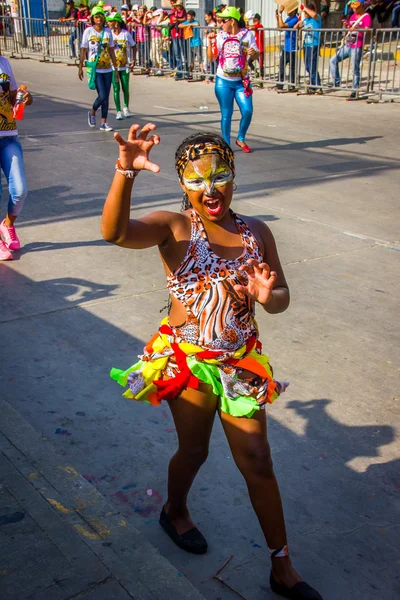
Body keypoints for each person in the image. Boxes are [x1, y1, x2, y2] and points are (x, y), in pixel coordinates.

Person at [102, 121, 324, 600]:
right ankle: (175, 511)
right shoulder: (175, 228)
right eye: (197, 179)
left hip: (240, 364)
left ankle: (282, 567)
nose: (210, 188)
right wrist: (125, 172)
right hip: (188, 361)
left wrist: (269, 295)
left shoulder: (257, 231)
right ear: (182, 184)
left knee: (259, 461)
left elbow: (281, 296)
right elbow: (114, 233)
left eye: (219, 174)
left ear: (233, 174)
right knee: (195, 450)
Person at [207, 6, 259, 153]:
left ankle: (240, 138)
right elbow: (211, 58)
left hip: (241, 81)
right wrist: (209, 43)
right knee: (226, 114)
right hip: (223, 81)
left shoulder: (247, 35)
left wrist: (253, 53)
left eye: (223, 20)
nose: (221, 23)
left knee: (248, 110)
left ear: (233, 21)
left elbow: (256, 55)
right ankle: (226, 143)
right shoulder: (220, 36)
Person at [0, 54, 32, 261]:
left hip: (8, 134)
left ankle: (7, 225)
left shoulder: (3, 62)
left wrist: (24, 98)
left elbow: (12, 95)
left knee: (19, 190)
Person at [78, 6, 119, 131]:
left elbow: (112, 51)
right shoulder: (88, 32)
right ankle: (92, 112)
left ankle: (103, 123)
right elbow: (84, 50)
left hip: (107, 68)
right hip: (95, 68)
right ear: (92, 18)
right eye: (96, 16)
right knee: (102, 95)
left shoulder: (107, 32)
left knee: (106, 96)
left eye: (101, 16)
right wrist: (80, 67)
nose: (99, 19)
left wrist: (115, 69)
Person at [330, 0, 372, 98]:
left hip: (357, 46)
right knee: (333, 60)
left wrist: (357, 28)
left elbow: (368, 30)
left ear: (361, 6)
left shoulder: (366, 16)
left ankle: (355, 90)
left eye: (356, 8)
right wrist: (347, 25)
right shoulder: (353, 16)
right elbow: (351, 27)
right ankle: (336, 82)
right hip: (348, 44)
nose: (354, 10)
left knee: (355, 69)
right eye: (353, 8)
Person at [107, 13, 135, 120]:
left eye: (111, 21)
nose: (109, 23)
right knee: (116, 88)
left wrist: (133, 59)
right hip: (113, 67)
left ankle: (126, 108)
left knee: (125, 88)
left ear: (116, 23)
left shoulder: (126, 34)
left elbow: (133, 46)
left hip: (125, 66)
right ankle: (118, 111)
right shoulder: (109, 35)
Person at [295, 4, 322, 94]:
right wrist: (298, 24)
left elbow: (314, 14)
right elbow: (295, 27)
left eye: (306, 12)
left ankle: (317, 86)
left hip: (314, 45)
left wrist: (305, 8)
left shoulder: (316, 18)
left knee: (312, 66)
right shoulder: (306, 20)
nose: (305, 14)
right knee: (307, 66)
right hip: (306, 45)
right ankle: (312, 85)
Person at [275, 6, 299, 91]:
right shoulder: (289, 18)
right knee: (282, 66)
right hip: (286, 47)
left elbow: (282, 26)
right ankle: (280, 85)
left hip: (292, 47)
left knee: (291, 68)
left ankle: (292, 85)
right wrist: (278, 18)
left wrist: (280, 14)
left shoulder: (295, 19)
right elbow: (280, 28)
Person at [179, 9, 202, 77]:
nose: (188, 17)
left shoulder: (196, 21)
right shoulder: (186, 22)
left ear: (193, 17)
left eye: (189, 16)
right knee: (191, 60)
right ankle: (190, 73)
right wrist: (187, 25)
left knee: (199, 59)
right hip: (190, 44)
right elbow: (180, 25)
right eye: (187, 16)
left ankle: (202, 72)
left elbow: (197, 24)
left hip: (197, 43)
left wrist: (190, 25)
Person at [169, 0, 188, 80]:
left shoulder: (184, 11)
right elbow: (172, 19)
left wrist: (178, 19)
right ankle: (179, 72)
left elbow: (185, 19)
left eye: (178, 5)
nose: (177, 6)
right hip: (174, 34)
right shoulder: (174, 11)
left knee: (184, 54)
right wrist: (177, 19)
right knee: (177, 54)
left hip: (182, 34)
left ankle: (186, 71)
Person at [249, 13, 265, 78]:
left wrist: (249, 26)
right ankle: (256, 72)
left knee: (261, 65)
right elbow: (251, 27)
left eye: (255, 21)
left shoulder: (260, 26)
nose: (254, 22)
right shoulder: (256, 27)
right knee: (249, 62)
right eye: (253, 21)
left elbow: (252, 27)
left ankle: (261, 80)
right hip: (256, 49)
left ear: (258, 20)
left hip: (260, 49)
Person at [149, 8, 164, 74]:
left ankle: (160, 68)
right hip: (152, 37)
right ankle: (157, 67)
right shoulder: (152, 19)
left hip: (157, 37)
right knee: (152, 54)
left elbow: (160, 28)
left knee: (158, 53)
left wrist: (155, 26)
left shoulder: (159, 20)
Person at [204, 11, 217, 81]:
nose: (205, 19)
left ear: (210, 16)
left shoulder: (214, 24)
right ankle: (211, 74)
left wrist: (208, 31)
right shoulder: (209, 25)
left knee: (213, 60)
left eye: (206, 17)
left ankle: (214, 74)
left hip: (213, 43)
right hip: (208, 43)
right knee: (210, 59)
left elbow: (214, 32)